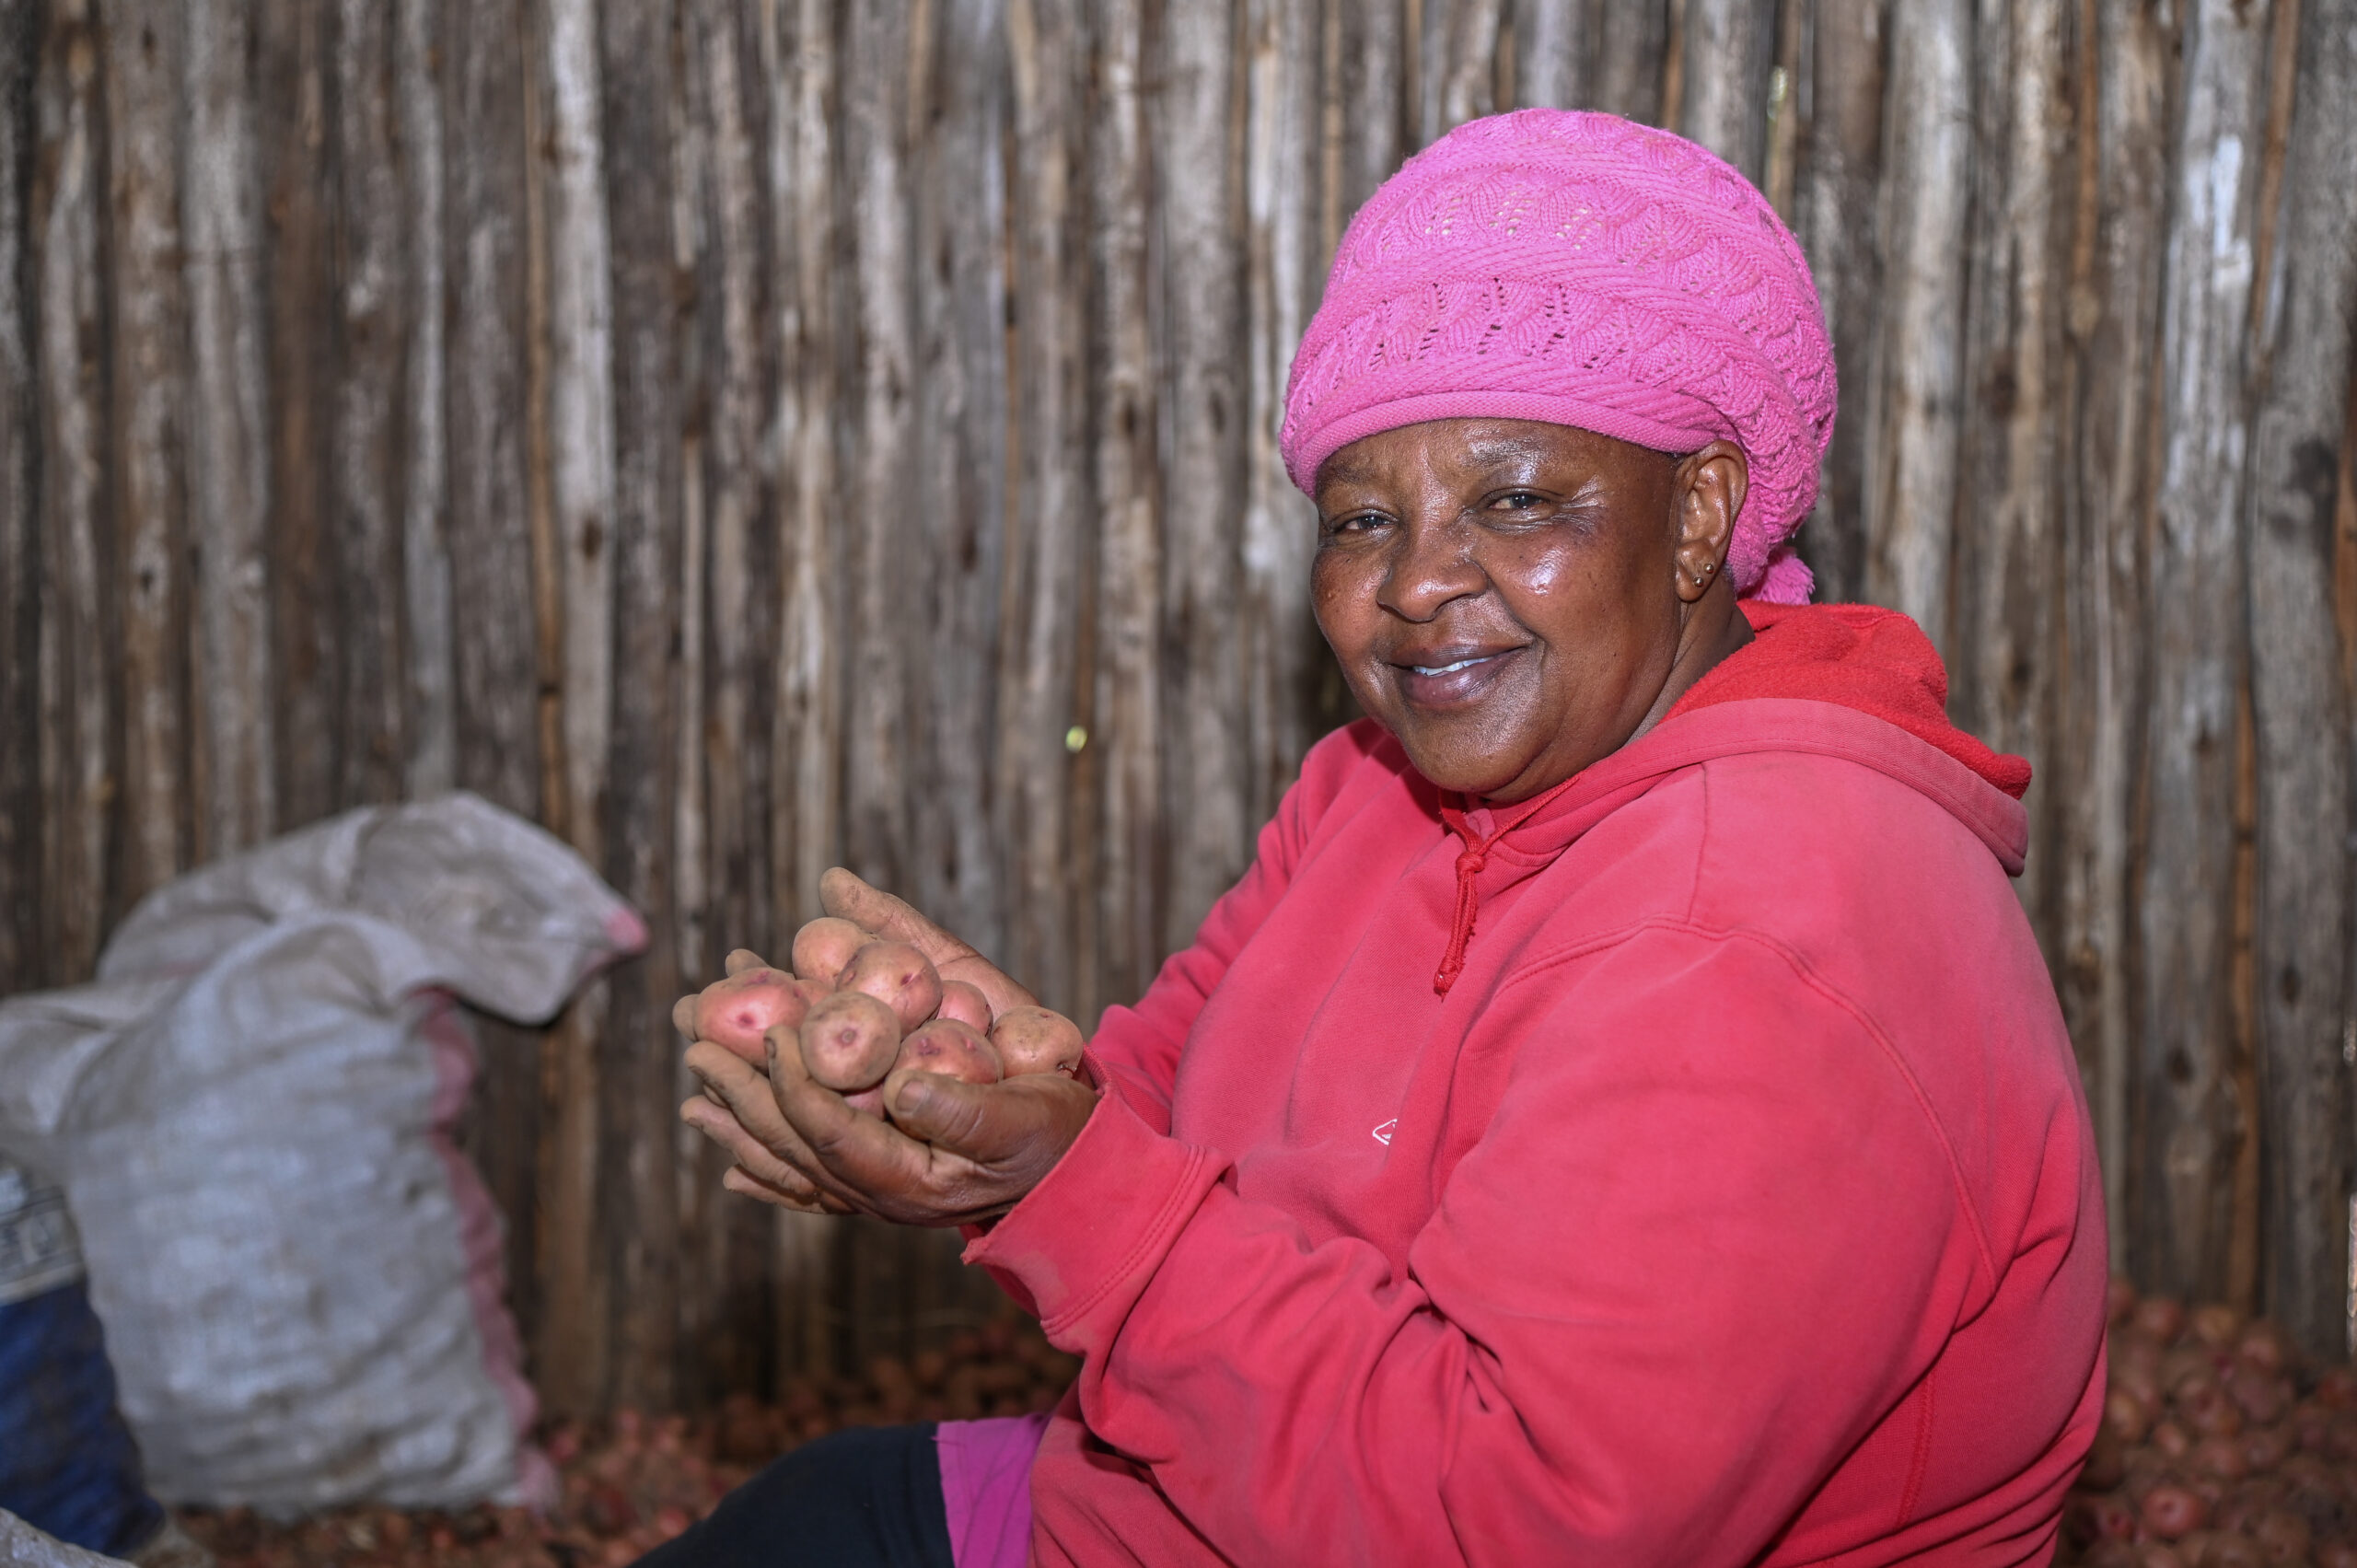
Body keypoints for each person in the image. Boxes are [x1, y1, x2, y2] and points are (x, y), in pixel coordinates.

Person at [657, 108, 2106, 1566]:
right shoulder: (1381, 787)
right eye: (1360, 521)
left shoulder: (1764, 924)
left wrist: (1071, 1187)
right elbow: (1159, 1111)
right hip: (1145, 1513)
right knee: (814, 1514)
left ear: (1698, 517)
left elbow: (1509, 1527)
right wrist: (967, 1097)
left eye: (1517, 498)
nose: (1416, 584)